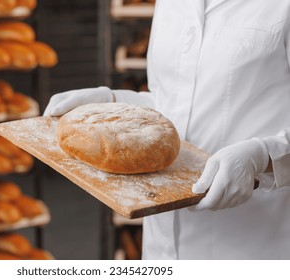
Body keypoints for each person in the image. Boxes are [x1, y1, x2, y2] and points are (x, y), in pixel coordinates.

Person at [44, 0, 290, 259]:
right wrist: (115, 103)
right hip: (161, 245)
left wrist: (264, 156)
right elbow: (171, 103)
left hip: (258, 243)